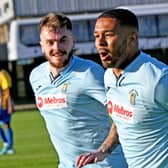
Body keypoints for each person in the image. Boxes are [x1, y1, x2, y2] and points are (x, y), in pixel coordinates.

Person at [29, 12, 127, 168]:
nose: (57, 48)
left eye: (63, 40)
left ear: (73, 41)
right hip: (67, 164)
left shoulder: (89, 73)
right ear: (41, 44)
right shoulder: (36, 76)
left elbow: (127, 114)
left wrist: (103, 151)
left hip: (104, 164)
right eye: (50, 42)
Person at [76, 8, 168, 168]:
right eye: (97, 36)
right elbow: (122, 120)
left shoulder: (159, 79)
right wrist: (104, 150)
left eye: (108, 35)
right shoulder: (109, 75)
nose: (100, 43)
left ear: (132, 39)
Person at [0, 68, 15, 155]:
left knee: (7, 125)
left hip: (3, 105)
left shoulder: (2, 74)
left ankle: (9, 146)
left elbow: (7, 91)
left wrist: (9, 105)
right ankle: (7, 144)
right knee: (6, 125)